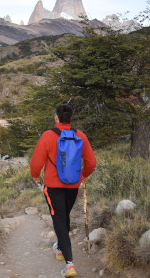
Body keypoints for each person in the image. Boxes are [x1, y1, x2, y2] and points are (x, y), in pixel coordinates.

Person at [30, 104, 97, 278]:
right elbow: (91, 162)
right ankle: (60, 247)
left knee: (58, 218)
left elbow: (36, 162)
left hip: (53, 186)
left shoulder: (47, 136)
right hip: (73, 185)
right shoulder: (80, 135)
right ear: (70, 118)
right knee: (64, 215)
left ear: (56, 118)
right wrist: (84, 175)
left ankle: (69, 264)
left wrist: (35, 176)